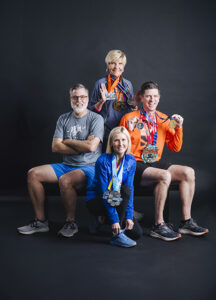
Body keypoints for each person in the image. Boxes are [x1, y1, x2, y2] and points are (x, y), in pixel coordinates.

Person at [120, 81, 209, 241]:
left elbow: (175, 147)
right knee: (164, 176)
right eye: (148, 96)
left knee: (188, 172)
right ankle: (158, 225)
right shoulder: (129, 118)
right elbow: (120, 149)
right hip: (132, 164)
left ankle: (186, 221)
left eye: (155, 96)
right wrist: (130, 130)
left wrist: (179, 127)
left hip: (154, 162)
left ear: (159, 98)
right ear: (141, 98)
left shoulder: (165, 119)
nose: (151, 100)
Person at [17, 84, 104, 237]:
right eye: (75, 97)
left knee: (65, 180)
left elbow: (91, 147)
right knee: (33, 174)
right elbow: (55, 147)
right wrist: (81, 145)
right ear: (70, 99)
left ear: (88, 99)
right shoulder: (63, 118)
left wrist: (68, 140)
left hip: (89, 166)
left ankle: (71, 222)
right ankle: (41, 221)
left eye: (83, 97)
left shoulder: (96, 118)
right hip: (66, 165)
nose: (79, 100)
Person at [86, 126, 143, 248]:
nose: (120, 144)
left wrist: (128, 216)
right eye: (116, 140)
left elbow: (130, 188)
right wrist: (115, 220)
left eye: (124, 140)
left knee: (137, 233)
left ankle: (103, 219)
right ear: (111, 143)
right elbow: (104, 192)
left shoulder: (131, 160)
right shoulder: (103, 160)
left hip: (116, 198)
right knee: (124, 191)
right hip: (97, 199)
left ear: (128, 142)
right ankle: (116, 236)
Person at [88, 49, 136, 150]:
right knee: (106, 161)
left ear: (124, 66)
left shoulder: (128, 85)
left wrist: (134, 105)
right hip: (106, 131)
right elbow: (91, 110)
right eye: (113, 63)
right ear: (107, 65)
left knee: (121, 162)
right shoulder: (100, 84)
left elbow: (132, 108)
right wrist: (101, 102)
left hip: (123, 130)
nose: (117, 67)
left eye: (120, 64)